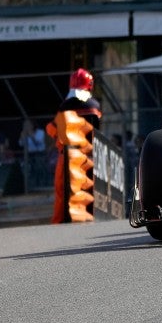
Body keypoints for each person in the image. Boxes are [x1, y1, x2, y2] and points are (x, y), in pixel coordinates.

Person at [46, 68, 103, 223]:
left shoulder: (65, 105)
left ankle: (61, 221)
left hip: (67, 156)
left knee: (62, 190)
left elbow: (53, 128)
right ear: (89, 84)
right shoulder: (95, 105)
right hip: (92, 156)